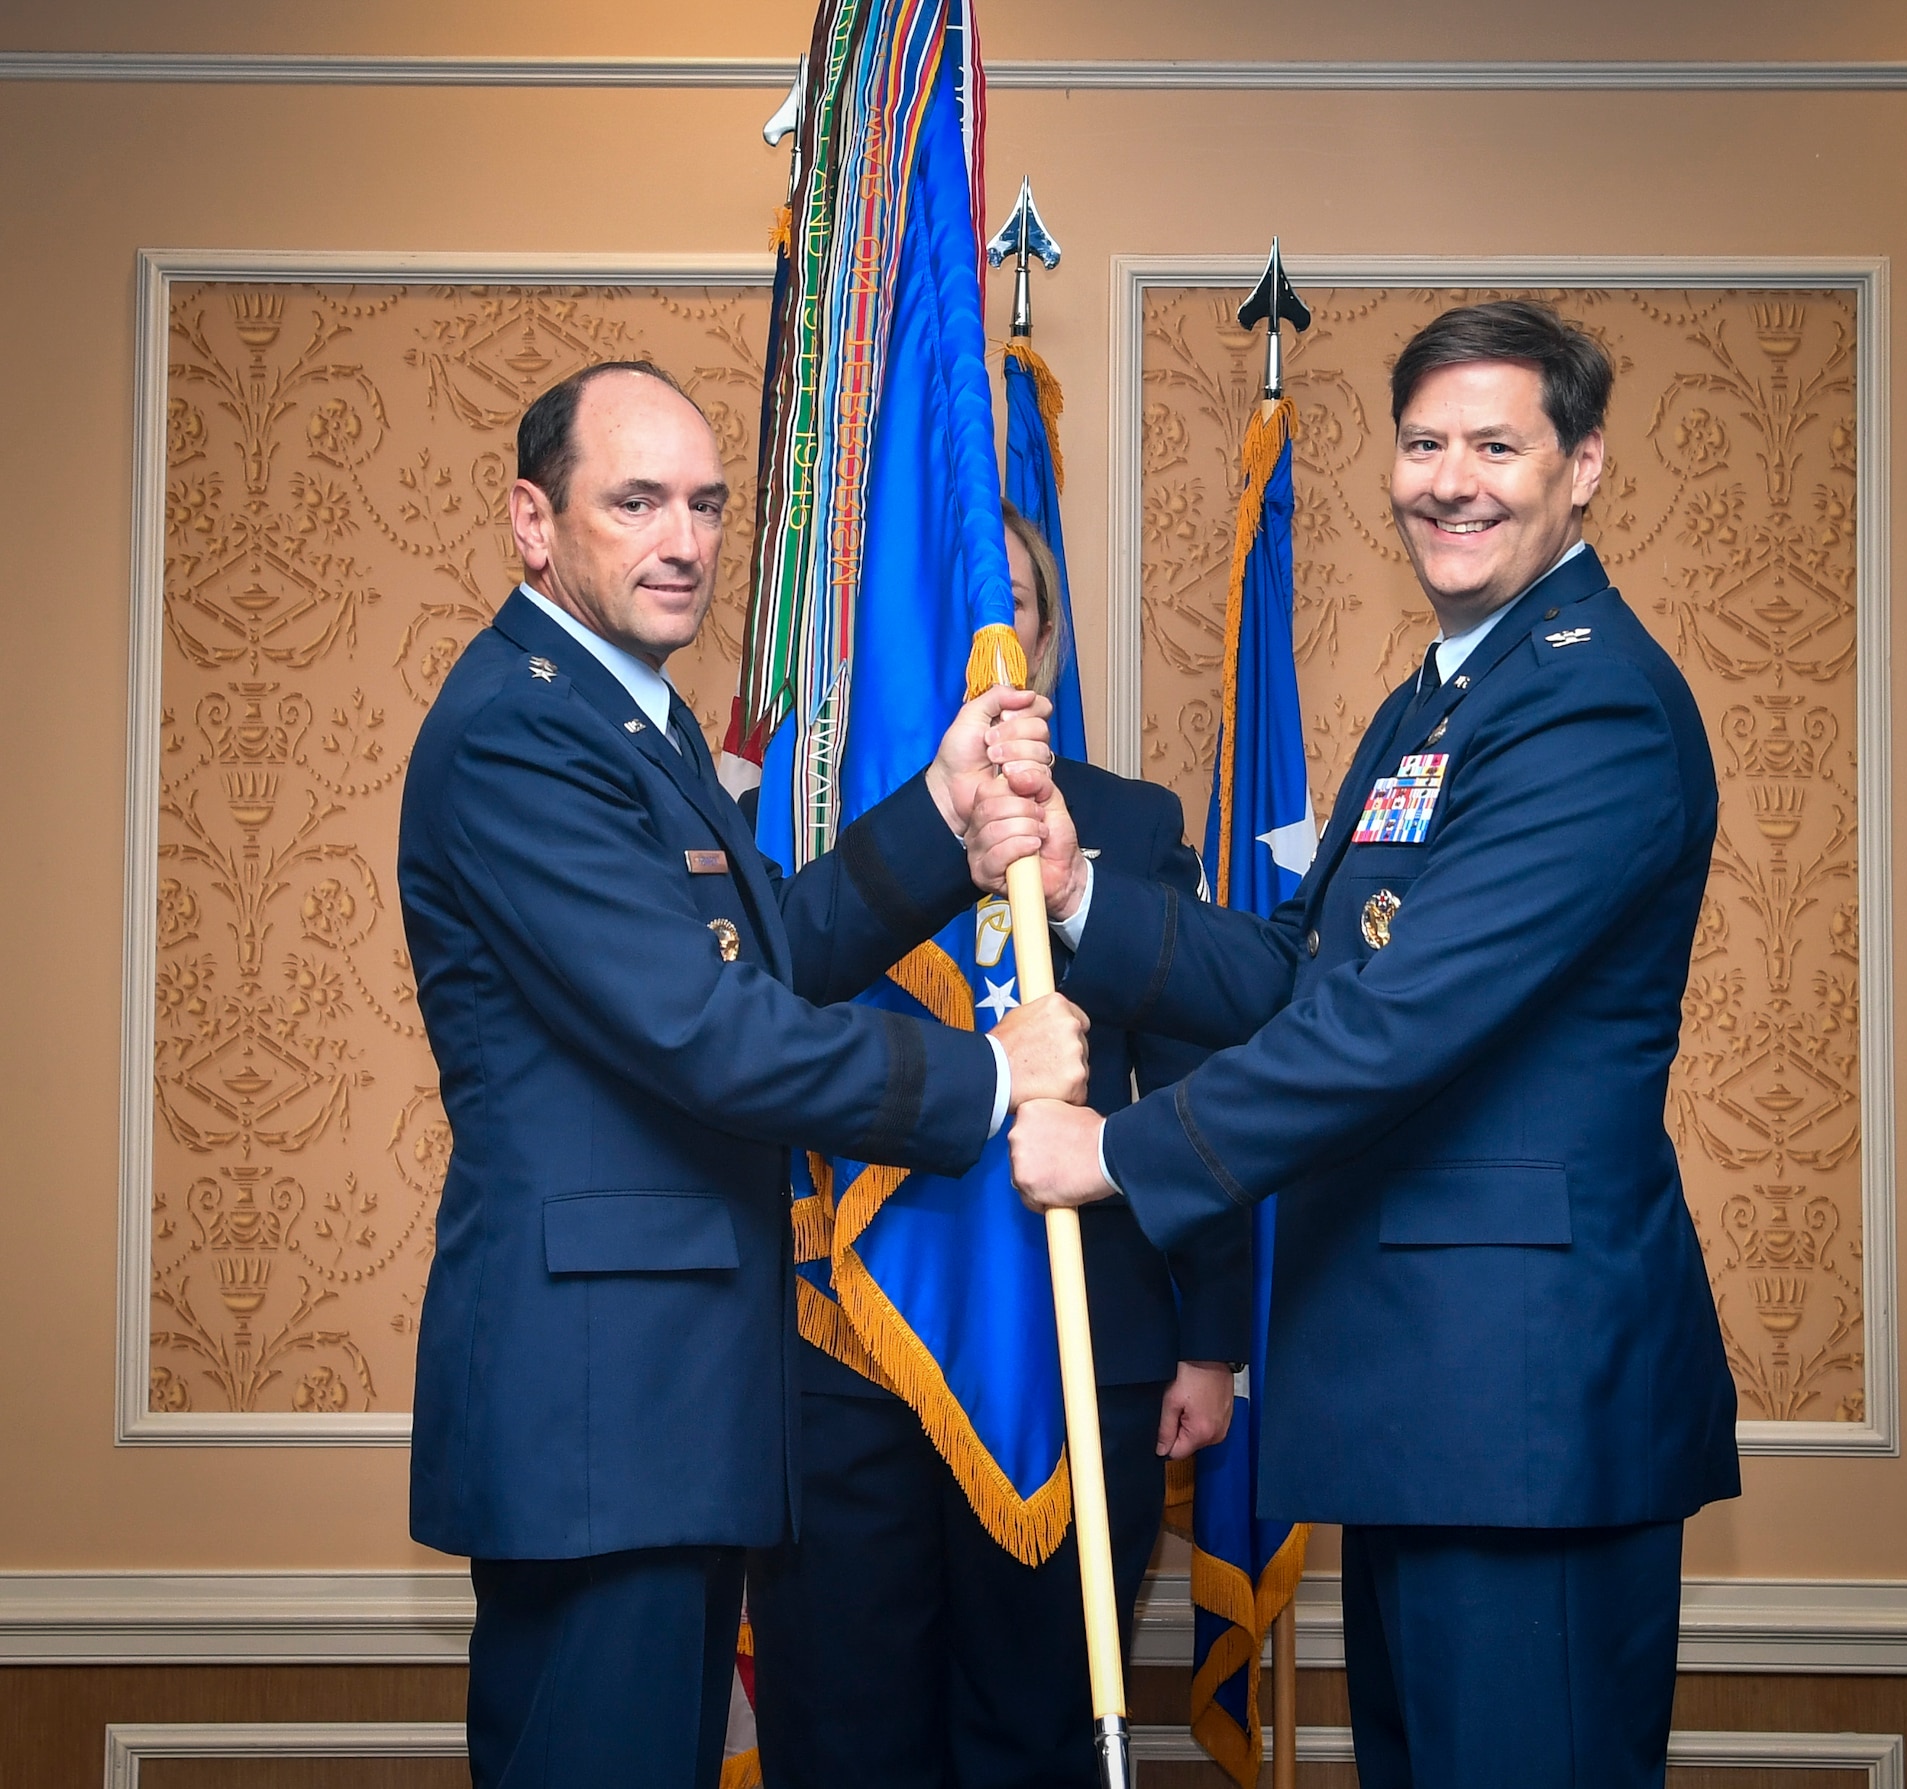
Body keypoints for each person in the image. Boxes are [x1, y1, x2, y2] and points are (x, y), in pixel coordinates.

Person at [1009, 302, 1741, 1789]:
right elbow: (1304, 969)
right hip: (1428, 1396)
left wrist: (1117, 1153)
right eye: (1422, 443)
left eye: (1496, 442)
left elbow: (1398, 1025)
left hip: (1525, 1406)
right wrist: (1085, 894)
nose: (1450, 479)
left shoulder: (1589, 701)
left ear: (1583, 464)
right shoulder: (1445, 695)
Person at [397, 360, 1090, 1789]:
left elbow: (764, 947)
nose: (687, 540)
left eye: (708, 505)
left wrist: (944, 818)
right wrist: (989, 1079)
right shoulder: (524, 730)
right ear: (536, 523)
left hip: (662, 1408)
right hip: (604, 1411)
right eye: (636, 501)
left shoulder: (625, 718)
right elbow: (704, 1032)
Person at [745, 502, 1248, 1789]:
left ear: (1047, 635)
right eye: (959, 616)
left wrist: (1208, 1339)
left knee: (1036, 1724)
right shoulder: (811, 820)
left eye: (1013, 609)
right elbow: (747, 1033)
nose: (988, 641)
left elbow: (1192, 1058)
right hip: (842, 1341)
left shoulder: (1127, 820)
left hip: (1082, 1331)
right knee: (849, 1720)